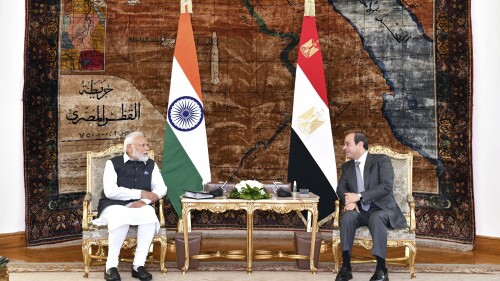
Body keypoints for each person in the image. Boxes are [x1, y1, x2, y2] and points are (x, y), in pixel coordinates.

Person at [93, 131, 167, 281]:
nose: (147, 148)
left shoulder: (150, 164)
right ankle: (111, 266)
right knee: (121, 216)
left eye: (147, 144)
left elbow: (161, 188)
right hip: (112, 204)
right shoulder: (112, 164)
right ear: (129, 148)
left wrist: (144, 202)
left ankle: (138, 266)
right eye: (142, 145)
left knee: (149, 215)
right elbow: (111, 192)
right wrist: (140, 193)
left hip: (139, 204)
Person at [335, 132, 407, 281]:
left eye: (347, 144)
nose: (344, 147)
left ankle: (381, 269)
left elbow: (386, 186)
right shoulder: (347, 167)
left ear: (360, 144)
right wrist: (350, 200)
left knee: (376, 217)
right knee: (347, 216)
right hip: (360, 210)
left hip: (382, 209)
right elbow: (340, 189)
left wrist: (359, 196)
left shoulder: (381, 160)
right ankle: (346, 267)